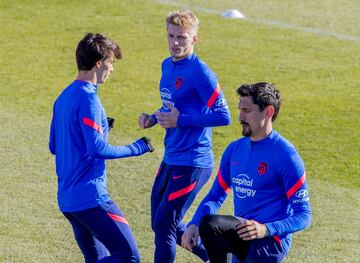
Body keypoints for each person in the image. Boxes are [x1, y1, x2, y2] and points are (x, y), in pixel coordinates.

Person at [49, 32, 154, 263]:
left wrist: (102, 128)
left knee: (97, 259)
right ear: (99, 63)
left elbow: (54, 145)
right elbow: (98, 150)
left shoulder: (63, 97)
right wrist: (137, 147)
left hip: (67, 200)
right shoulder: (89, 100)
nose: (112, 69)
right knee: (128, 256)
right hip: (91, 198)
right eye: (111, 62)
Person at [138, 10, 231, 263]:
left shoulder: (201, 73)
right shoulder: (166, 66)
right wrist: (154, 118)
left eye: (182, 37)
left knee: (165, 224)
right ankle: (215, 258)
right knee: (159, 222)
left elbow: (224, 116)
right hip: (172, 156)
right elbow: (173, 107)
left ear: (194, 39)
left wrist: (182, 121)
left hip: (194, 161)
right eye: (171, 35)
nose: (175, 42)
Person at [182, 82, 312, 263]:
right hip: (243, 233)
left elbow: (304, 215)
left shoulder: (286, 156)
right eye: (240, 110)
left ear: (268, 112)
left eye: (247, 111)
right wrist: (194, 223)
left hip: (269, 242)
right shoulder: (234, 150)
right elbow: (215, 195)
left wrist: (265, 229)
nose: (240, 117)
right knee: (209, 225)